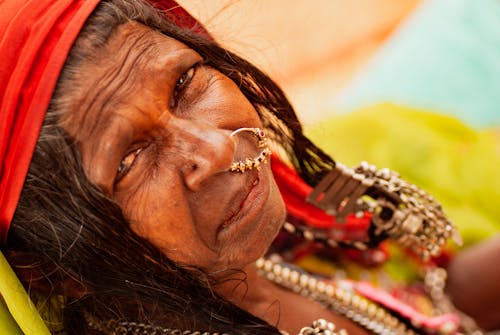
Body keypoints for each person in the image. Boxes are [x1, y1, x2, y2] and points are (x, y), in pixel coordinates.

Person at [0, 0, 498, 334]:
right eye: (128, 159)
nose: (215, 148)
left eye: (185, 83)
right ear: (50, 269)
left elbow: (424, 310)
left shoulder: (282, 242)